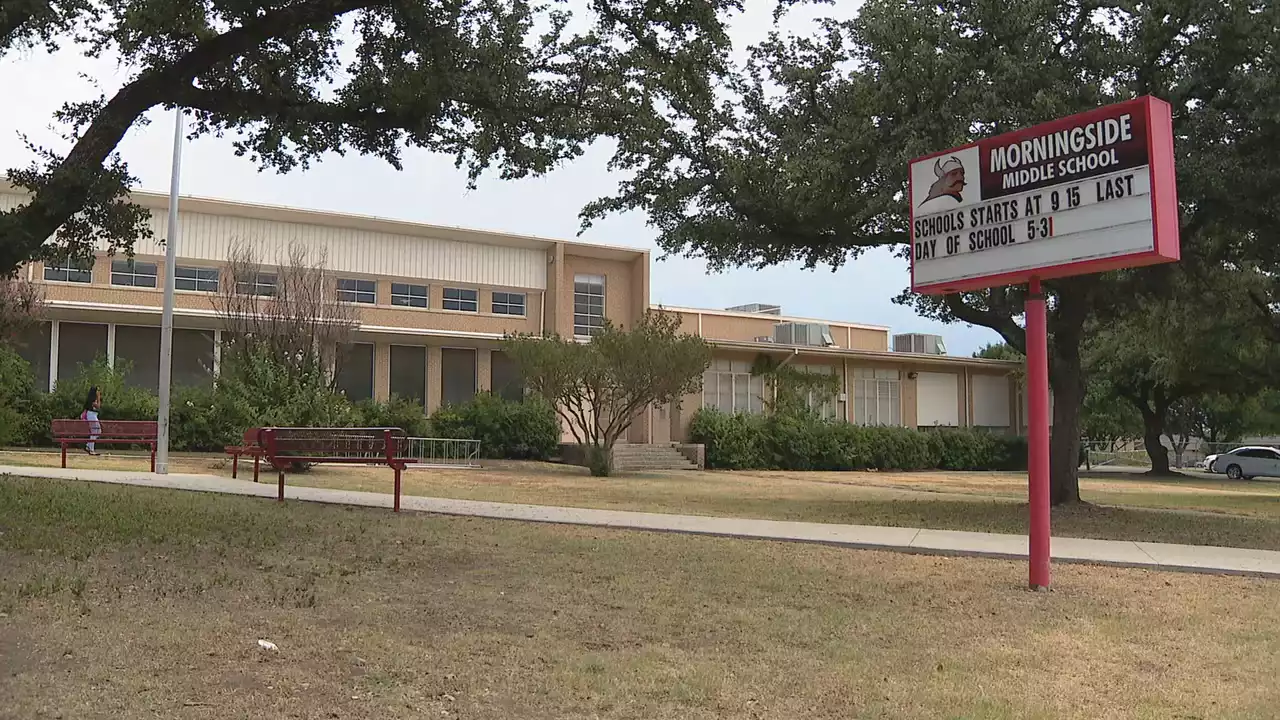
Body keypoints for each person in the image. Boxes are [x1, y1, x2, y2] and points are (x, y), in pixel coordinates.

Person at [81, 386, 102, 456]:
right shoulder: (92, 400)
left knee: (98, 432)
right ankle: (91, 449)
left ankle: (88, 445)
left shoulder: (93, 399)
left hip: (94, 415)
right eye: (97, 390)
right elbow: (98, 406)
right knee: (94, 432)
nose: (98, 392)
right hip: (92, 415)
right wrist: (99, 398)